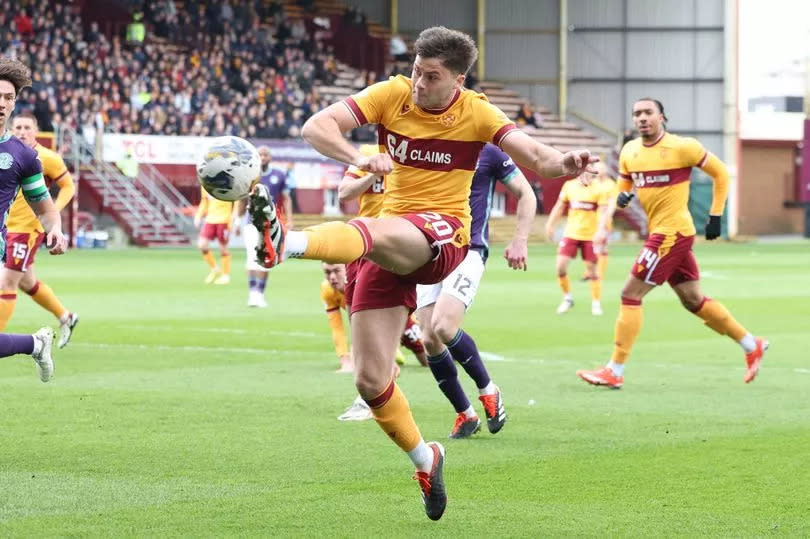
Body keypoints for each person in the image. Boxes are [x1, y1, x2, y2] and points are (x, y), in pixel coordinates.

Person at [249, 26, 597, 520]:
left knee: (371, 231)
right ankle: (425, 457)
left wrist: (567, 161)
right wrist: (359, 157)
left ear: (458, 79)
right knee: (371, 381)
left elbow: (539, 159)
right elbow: (315, 127)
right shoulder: (392, 93)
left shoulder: (479, 112)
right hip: (393, 237)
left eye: (430, 76)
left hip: (445, 236)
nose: (418, 82)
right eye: (415, 70)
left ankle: (288, 243)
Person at [576, 98, 768, 389]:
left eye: (647, 113)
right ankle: (751, 344)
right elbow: (625, 182)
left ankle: (615, 370)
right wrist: (623, 196)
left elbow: (720, 173)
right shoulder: (630, 151)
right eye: (637, 114)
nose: (641, 118)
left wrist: (716, 214)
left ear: (662, 117)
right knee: (693, 300)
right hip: (665, 233)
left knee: (630, 294)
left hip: (671, 233)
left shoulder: (683, 147)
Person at [416, 143, 536, 439]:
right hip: (428, 250)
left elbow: (526, 193)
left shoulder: (489, 152)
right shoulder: (426, 145)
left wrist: (520, 240)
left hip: (468, 250)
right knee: (428, 338)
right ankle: (465, 414)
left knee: (444, 326)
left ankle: (488, 390)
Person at [0, 57, 68, 381]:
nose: (1, 103)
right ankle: (35, 343)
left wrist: (55, 229)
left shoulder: (23, 156)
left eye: (8, 98)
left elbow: (45, 206)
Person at [2, 111, 78, 347]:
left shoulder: (47, 158)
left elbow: (68, 186)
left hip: (27, 231)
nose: (22, 132)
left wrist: (54, 212)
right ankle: (66, 316)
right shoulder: (7, 152)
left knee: (6, 284)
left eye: (27, 128)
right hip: (7, 229)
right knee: (27, 282)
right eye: (19, 128)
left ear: (36, 131)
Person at [321, 261, 427, 374]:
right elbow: (337, 328)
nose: (332, 277)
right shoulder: (327, 290)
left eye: (337, 271)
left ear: (346, 269)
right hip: (371, 324)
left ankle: (390, 349)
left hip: (396, 317)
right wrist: (344, 359)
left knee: (426, 358)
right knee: (376, 366)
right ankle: (387, 351)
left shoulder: (361, 280)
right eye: (327, 272)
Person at [545, 171, 608, 316]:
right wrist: (550, 224)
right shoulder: (569, 186)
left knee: (592, 270)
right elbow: (560, 206)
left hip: (590, 235)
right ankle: (567, 299)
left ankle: (596, 303)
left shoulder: (599, 188)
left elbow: (604, 212)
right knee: (560, 267)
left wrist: (600, 231)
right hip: (571, 233)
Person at [235, 146, 291, 307]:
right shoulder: (250, 176)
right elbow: (242, 200)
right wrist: (237, 221)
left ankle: (259, 292)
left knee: (268, 258)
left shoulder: (279, 175)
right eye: (260, 154)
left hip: (271, 224)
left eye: (266, 154)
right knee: (252, 258)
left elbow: (287, 199)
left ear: (270, 157)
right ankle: (253, 293)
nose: (263, 157)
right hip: (252, 223)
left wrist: (289, 219)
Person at [194, 186, 234, 285]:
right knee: (202, 244)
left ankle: (225, 275)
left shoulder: (228, 183)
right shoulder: (206, 184)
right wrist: (199, 215)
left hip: (224, 219)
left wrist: (233, 221)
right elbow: (204, 202)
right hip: (210, 219)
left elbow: (236, 203)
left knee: (223, 248)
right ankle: (215, 269)